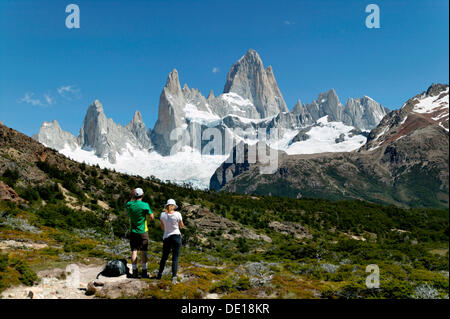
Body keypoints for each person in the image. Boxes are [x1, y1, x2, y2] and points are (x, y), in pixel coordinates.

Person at [126, 187, 154, 278]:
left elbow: (128, 201)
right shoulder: (145, 205)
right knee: (144, 251)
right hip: (143, 231)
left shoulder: (129, 204)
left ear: (134, 195)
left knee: (134, 251)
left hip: (133, 231)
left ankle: (134, 271)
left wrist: (131, 194)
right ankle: (144, 271)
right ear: (143, 195)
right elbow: (152, 217)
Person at [157, 199, 184, 284]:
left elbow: (162, 227)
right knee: (175, 258)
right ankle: (174, 277)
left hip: (167, 237)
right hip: (176, 236)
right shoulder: (178, 214)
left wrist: (167, 229)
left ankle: (159, 274)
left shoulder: (162, 215)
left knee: (164, 257)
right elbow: (181, 226)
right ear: (174, 206)